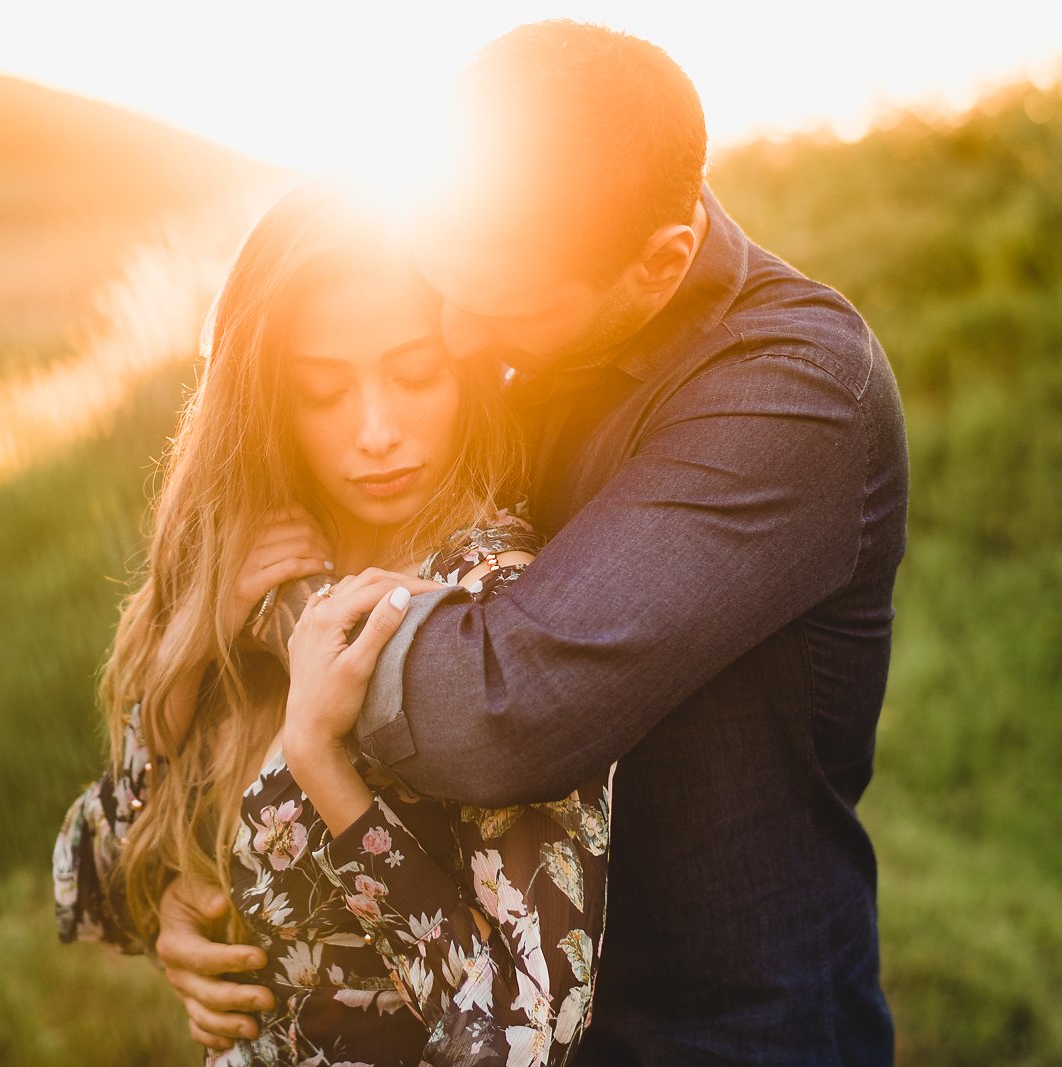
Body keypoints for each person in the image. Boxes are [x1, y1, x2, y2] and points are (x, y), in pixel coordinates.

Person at [155, 21, 908, 1066]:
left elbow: (498, 706)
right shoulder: (533, 336)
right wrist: (184, 879)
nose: (461, 339)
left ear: (660, 264)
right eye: (446, 284)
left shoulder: (790, 391)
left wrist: (295, 607)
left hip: (722, 1031)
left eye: (493, 308)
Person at [52, 182, 616, 1066]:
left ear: (464, 362)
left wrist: (324, 768)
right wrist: (186, 661)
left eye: (415, 374)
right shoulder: (249, 563)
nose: (378, 431)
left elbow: (520, 1033)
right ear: (269, 398)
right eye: (322, 390)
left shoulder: (495, 605)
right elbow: (87, 889)